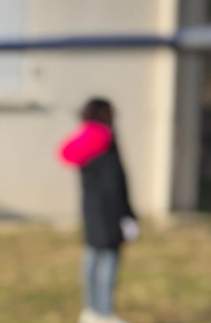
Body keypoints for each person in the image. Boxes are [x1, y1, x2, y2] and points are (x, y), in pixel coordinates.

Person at [58, 98, 138, 323]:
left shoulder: (84, 140)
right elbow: (116, 180)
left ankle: (91, 310)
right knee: (109, 259)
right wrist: (127, 213)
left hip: (91, 209)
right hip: (111, 211)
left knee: (92, 256)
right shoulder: (106, 138)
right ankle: (105, 313)